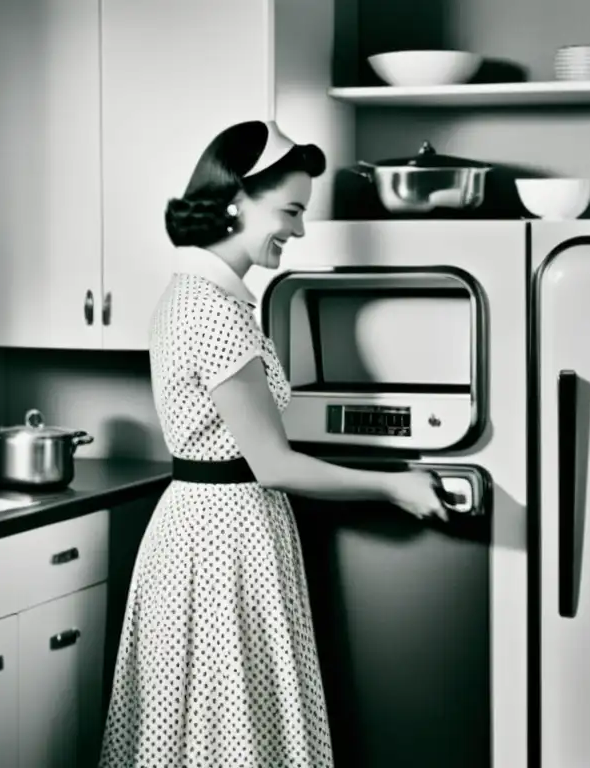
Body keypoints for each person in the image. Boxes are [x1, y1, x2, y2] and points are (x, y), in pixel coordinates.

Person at [99, 120, 457, 767]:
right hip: (221, 539)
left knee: (213, 730)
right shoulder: (210, 307)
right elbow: (271, 463)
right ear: (237, 199)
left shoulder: (209, 297)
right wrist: (393, 484)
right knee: (230, 733)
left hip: (217, 532)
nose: (297, 230)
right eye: (290, 210)